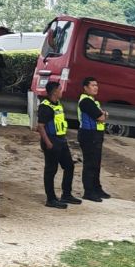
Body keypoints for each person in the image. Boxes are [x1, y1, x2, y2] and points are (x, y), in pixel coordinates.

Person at [38, 80, 78, 208]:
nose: (62, 91)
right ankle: (51, 199)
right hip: (51, 141)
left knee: (69, 166)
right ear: (55, 91)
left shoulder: (57, 104)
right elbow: (40, 126)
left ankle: (66, 194)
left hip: (61, 140)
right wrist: (48, 142)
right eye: (60, 89)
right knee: (51, 170)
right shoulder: (45, 107)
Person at [76, 76, 110, 202]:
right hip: (89, 135)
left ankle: (97, 188)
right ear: (85, 88)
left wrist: (103, 114)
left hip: (96, 135)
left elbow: (101, 115)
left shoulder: (93, 101)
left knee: (96, 164)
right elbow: (101, 117)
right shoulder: (86, 101)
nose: (96, 87)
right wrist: (104, 114)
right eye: (93, 85)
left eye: (97, 85)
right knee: (90, 164)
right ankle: (89, 191)